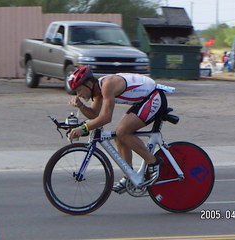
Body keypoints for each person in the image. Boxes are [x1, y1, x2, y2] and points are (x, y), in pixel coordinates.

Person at [67, 65, 168, 194]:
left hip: (155, 97)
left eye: (79, 90)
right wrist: (81, 106)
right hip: (144, 100)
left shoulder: (107, 85)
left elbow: (106, 118)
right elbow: (94, 114)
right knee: (118, 135)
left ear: (89, 83)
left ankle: (154, 162)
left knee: (122, 131)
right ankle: (129, 175)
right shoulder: (97, 91)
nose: (78, 94)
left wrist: (82, 128)